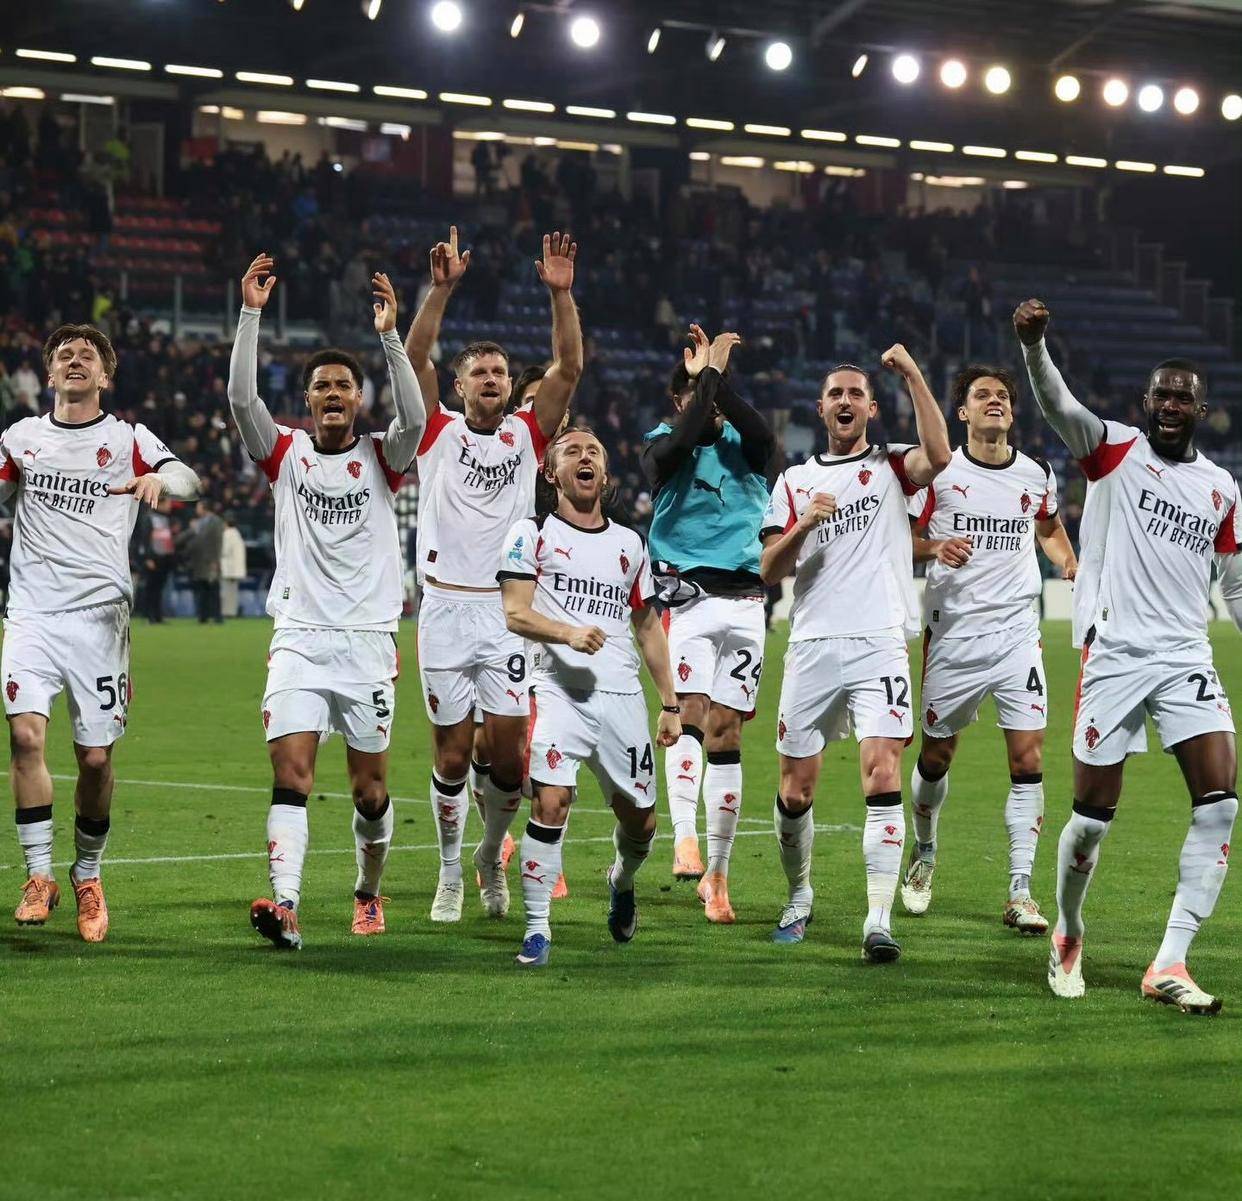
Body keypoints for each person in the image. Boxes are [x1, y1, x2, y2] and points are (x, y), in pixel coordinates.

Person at [1015, 298, 1241, 1014]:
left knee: (1220, 805)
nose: (1171, 404)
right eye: (1161, 394)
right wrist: (1034, 346)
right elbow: (1057, 403)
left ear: (1201, 410)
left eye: (1183, 397)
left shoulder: (1221, 488)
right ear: (1147, 403)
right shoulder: (1112, 450)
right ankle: (1068, 930)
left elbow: (1236, 584)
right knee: (1091, 818)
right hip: (1113, 653)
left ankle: (1169, 961)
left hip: (1185, 656)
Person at [228, 254, 425, 950]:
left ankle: (368, 891)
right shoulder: (284, 452)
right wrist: (250, 314)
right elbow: (241, 401)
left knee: (370, 791)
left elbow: (417, 414)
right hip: (299, 638)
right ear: (308, 400)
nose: (333, 392)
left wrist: (391, 336)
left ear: (359, 399)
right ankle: (286, 904)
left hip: (368, 641)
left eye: (343, 384)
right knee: (292, 775)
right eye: (322, 386)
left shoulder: (383, 456)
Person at [405, 226, 581, 924]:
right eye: (479, 372)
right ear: (459, 386)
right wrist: (440, 290)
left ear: (511, 386)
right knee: (452, 756)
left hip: (506, 612)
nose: (490, 380)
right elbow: (413, 356)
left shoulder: (527, 435)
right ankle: (450, 871)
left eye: (500, 373)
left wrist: (560, 295)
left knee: (509, 761)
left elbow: (568, 367)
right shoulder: (435, 431)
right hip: (445, 608)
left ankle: (488, 855)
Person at [2, 323, 200, 941]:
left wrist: (158, 479)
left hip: (100, 619)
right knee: (26, 737)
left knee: (93, 758)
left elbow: (191, 482)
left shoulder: (127, 438)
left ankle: (87, 873)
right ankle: (39, 876)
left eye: (88, 355)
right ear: (49, 375)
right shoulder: (20, 438)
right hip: (32, 613)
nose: (75, 360)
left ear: (105, 376)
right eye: (64, 355)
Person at [758, 348, 951, 961]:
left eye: (855, 394)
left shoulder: (892, 466)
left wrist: (913, 374)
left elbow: (940, 455)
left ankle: (878, 918)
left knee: (883, 773)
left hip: (879, 642)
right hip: (813, 644)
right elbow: (769, 569)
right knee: (795, 790)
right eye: (835, 394)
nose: (845, 401)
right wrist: (804, 524)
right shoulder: (793, 482)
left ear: (871, 408)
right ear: (820, 409)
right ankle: (799, 894)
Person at [901, 366, 1078, 932]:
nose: (994, 401)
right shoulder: (940, 474)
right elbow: (900, 540)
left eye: (1002, 395)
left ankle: (1020, 890)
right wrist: (934, 548)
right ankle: (925, 849)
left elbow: (1047, 527)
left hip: (1017, 634)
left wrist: (1069, 562)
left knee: (1028, 760)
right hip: (954, 635)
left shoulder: (1035, 473)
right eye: (982, 396)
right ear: (963, 413)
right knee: (936, 756)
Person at [497, 428, 681, 966]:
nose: (585, 457)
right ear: (551, 473)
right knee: (551, 802)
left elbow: (647, 626)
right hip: (558, 691)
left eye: (594, 452)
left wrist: (670, 704)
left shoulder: (630, 544)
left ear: (604, 474)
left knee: (642, 823)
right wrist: (567, 634)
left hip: (621, 696)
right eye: (572, 451)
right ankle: (537, 930)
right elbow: (515, 612)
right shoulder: (531, 533)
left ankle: (621, 879)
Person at [641, 325, 774, 923]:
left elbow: (764, 435)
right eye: (696, 396)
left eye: (714, 396)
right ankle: (685, 839)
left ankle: (717, 877)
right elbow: (680, 444)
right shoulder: (662, 445)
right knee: (689, 713)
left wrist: (715, 380)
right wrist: (706, 379)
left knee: (728, 733)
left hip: (746, 602)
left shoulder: (749, 448)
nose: (709, 406)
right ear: (679, 401)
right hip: (688, 600)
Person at [180, 499, 224, 623]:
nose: (196, 510)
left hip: (210, 561)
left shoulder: (216, 521)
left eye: (198, 507)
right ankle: (203, 616)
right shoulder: (199, 522)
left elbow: (218, 542)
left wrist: (215, 560)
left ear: (205, 508)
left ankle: (217, 616)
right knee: (202, 590)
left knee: (214, 589)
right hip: (199, 562)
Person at [220, 511, 247, 618]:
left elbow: (224, 551)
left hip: (229, 568)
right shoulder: (237, 533)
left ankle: (227, 612)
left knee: (226, 593)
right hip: (236, 569)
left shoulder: (227, 534)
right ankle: (232, 612)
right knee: (233, 593)